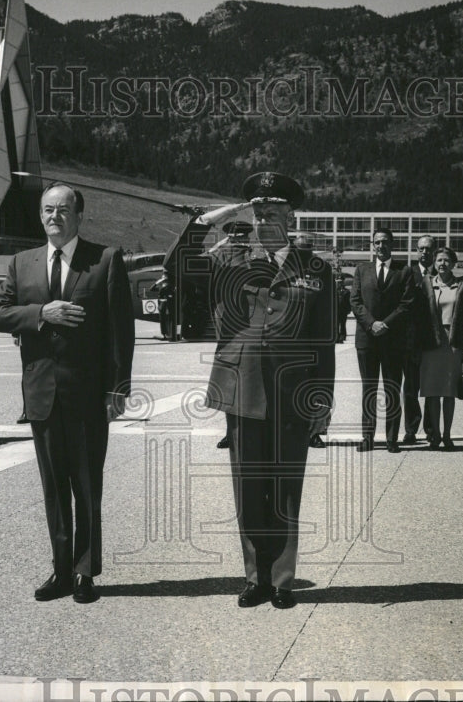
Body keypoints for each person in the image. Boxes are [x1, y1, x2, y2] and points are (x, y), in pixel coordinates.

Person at [163, 172, 334, 609]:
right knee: (248, 487)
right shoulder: (229, 264)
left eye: (273, 211)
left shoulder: (315, 270)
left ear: (291, 217)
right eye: (257, 212)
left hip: (293, 393)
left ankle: (282, 580)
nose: (264, 219)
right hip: (241, 390)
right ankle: (255, 577)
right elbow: (176, 262)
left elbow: (322, 344)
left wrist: (322, 400)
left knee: (285, 490)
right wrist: (218, 217)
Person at [0, 183, 135, 604]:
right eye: (48, 210)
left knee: (87, 486)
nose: (55, 217)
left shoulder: (105, 260)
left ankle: (86, 571)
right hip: (42, 396)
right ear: (40, 216)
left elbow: (120, 333)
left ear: (79, 215)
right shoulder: (22, 263)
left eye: (63, 210)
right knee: (54, 488)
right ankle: (60, 570)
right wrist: (40, 314)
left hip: (88, 396)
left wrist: (118, 389)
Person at [349, 227, 415, 453]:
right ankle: (367, 438)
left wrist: (385, 323)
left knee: (391, 389)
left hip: (393, 340)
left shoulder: (404, 271)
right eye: (377, 242)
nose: (380, 246)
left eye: (385, 242)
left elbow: (406, 304)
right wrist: (371, 323)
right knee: (369, 389)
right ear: (372, 245)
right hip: (367, 340)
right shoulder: (361, 269)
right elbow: (355, 301)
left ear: (392, 244)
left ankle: (391, 439)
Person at [420, 247, 463, 449]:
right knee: (432, 391)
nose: (442, 264)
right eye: (439, 261)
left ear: (453, 264)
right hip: (430, 343)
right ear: (434, 264)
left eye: (446, 260)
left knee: (449, 391)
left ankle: (447, 434)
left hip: (453, 343)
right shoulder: (425, 284)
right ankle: (434, 434)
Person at [213, 221, 255, 450]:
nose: (239, 241)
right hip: (230, 327)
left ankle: (246, 431)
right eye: (234, 237)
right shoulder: (220, 258)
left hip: (254, 327)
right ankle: (231, 432)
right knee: (230, 382)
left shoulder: (256, 257)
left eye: (242, 237)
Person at [404, 235, 439, 446]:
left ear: (435, 252)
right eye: (421, 249)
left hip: (434, 342)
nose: (424, 252)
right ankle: (410, 429)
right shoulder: (408, 273)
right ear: (416, 251)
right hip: (410, 342)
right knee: (410, 388)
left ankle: (431, 428)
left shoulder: (441, 275)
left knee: (431, 388)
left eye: (429, 249)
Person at [335, 273, 351, 343]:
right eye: (338, 282)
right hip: (336, 310)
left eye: (341, 282)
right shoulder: (334, 291)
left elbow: (348, 302)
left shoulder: (346, 291)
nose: (339, 283)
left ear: (343, 282)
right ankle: (336, 337)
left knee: (343, 324)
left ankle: (342, 337)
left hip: (343, 310)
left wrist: (349, 310)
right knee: (336, 324)